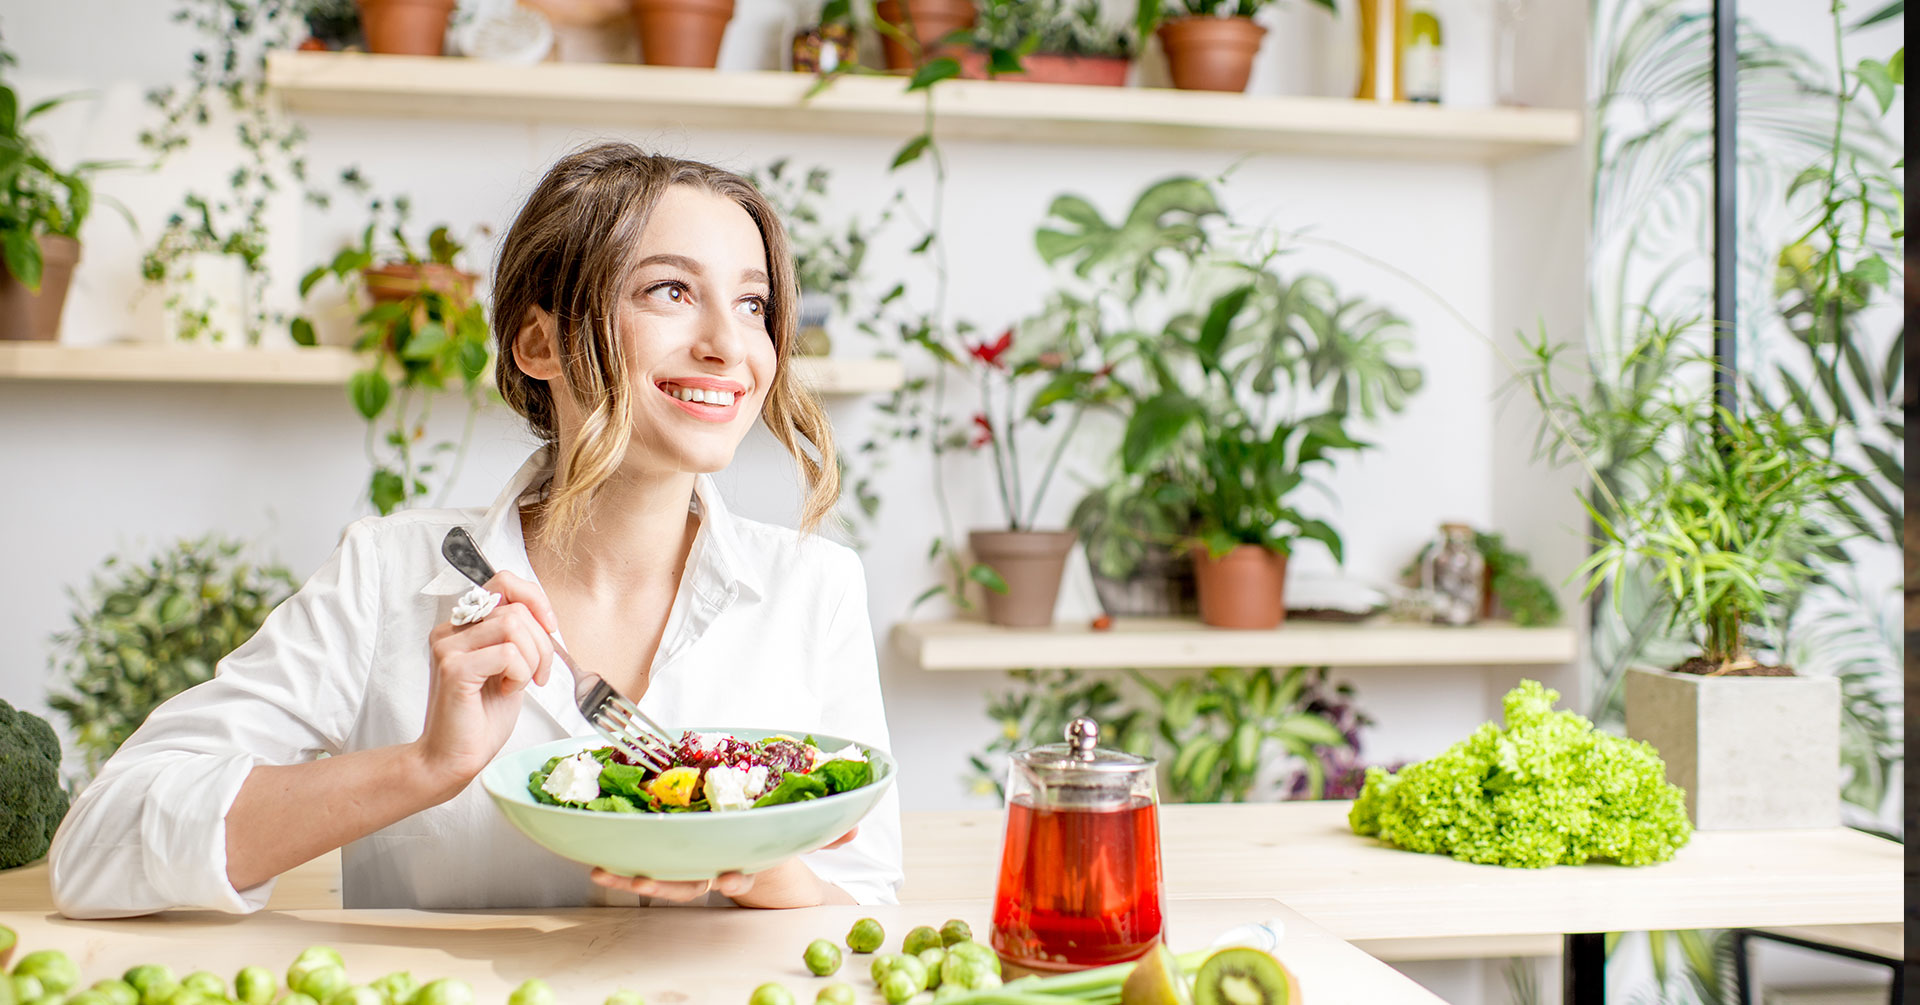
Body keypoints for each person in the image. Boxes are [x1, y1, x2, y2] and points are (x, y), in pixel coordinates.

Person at [48, 143, 902, 917]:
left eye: (753, 304)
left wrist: (755, 861)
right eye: (670, 291)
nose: (730, 344)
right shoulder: (385, 575)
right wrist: (421, 768)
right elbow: (96, 848)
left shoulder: (814, 586)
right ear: (541, 342)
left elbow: (864, 897)